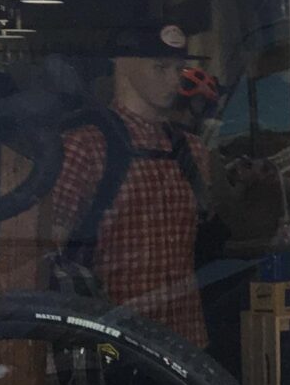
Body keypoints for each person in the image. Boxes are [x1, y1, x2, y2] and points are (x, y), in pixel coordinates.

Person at [43, 21, 210, 347]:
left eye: (179, 69)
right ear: (122, 64)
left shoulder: (193, 151)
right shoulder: (85, 146)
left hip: (187, 345)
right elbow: (49, 254)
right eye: (160, 67)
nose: (173, 79)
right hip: (112, 344)